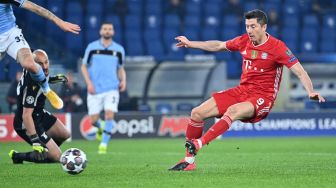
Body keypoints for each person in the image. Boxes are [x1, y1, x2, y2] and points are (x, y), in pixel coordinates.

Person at [169, 9, 325, 171]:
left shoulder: (278, 47)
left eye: (253, 26)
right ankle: (189, 161)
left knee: (233, 110)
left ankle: (199, 143)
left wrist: (310, 91)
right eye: (247, 26)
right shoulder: (244, 41)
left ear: (264, 27)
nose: (249, 31)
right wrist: (191, 43)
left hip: (263, 97)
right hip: (242, 91)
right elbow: (219, 45)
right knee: (197, 113)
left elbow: (300, 70)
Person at [0, 0, 81, 110]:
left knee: (30, 64)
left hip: (10, 35)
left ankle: (47, 90)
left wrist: (59, 21)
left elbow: (34, 7)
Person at [9, 49, 70, 164]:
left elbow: (41, 76)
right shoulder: (31, 85)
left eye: (46, 62)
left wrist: (52, 78)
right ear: (34, 64)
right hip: (27, 121)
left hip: (39, 114)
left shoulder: (31, 67)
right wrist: (35, 139)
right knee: (57, 156)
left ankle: (48, 151)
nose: (45, 66)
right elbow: (26, 116)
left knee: (65, 134)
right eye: (41, 64)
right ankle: (18, 156)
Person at [81, 22, 126, 154]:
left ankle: (103, 145)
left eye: (110, 29)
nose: (107, 31)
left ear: (113, 32)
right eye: (105, 29)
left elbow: (120, 68)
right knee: (94, 120)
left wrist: (123, 80)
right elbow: (84, 66)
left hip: (112, 88)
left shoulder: (119, 49)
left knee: (109, 115)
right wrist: (89, 83)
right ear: (101, 31)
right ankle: (100, 128)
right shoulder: (92, 47)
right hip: (95, 89)